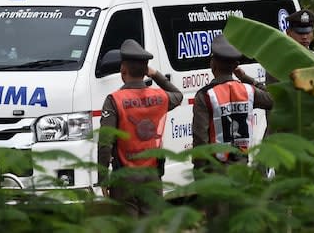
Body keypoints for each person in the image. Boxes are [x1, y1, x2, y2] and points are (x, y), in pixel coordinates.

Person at [98, 39, 183, 217]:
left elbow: (106, 142)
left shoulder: (114, 100)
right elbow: (178, 95)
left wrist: (103, 178)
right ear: (145, 72)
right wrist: (155, 75)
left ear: (123, 70)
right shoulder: (160, 97)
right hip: (152, 177)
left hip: (124, 179)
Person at [192, 35, 274, 169]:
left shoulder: (205, 95)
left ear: (212, 63)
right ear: (236, 66)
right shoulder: (248, 91)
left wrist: (199, 171)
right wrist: (245, 78)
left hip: (215, 171)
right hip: (241, 168)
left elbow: (200, 139)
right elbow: (272, 99)